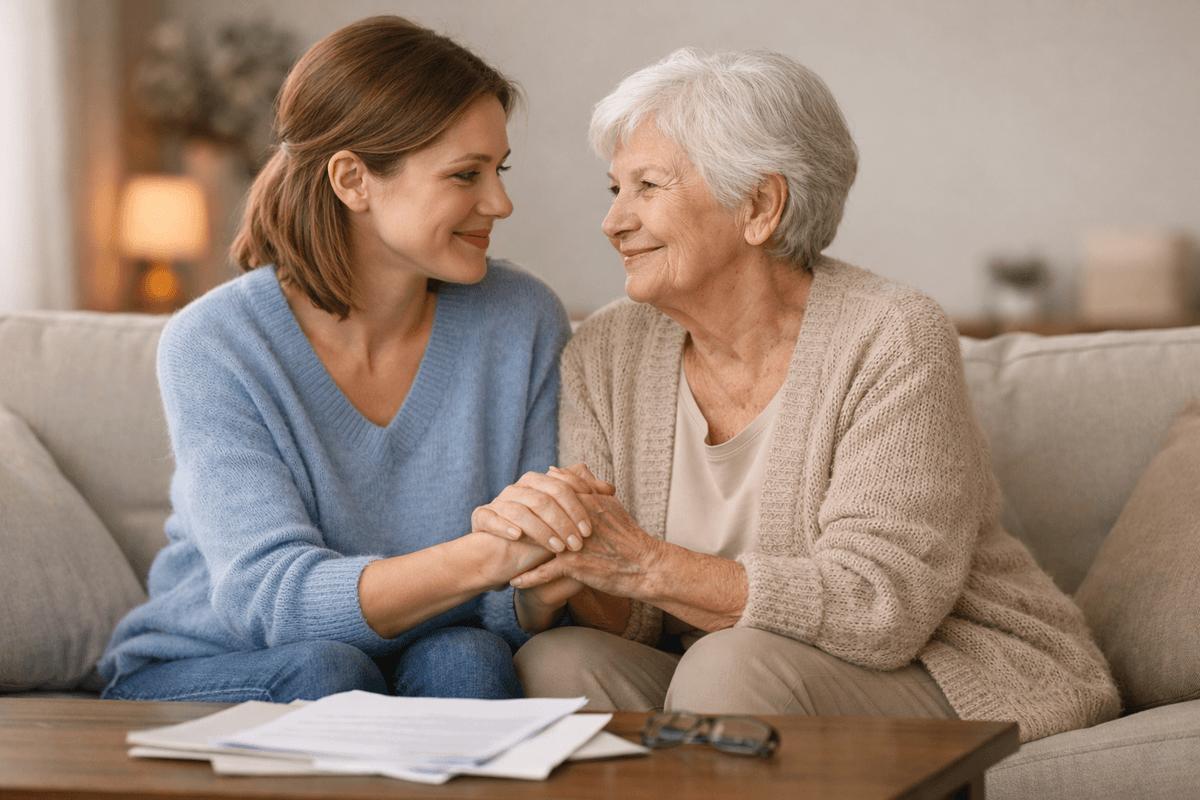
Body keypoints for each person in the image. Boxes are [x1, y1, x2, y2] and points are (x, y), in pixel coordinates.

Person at [472, 47, 1121, 743]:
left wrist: (649, 563)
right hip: (721, 667)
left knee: (727, 671)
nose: (614, 223)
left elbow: (882, 608)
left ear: (759, 205)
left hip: (939, 665)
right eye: (614, 190)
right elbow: (632, 617)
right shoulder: (606, 350)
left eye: (648, 188)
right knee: (557, 663)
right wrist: (565, 552)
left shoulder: (891, 334)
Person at [97, 15, 574, 703]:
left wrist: (540, 584)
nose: (499, 202)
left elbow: (504, 607)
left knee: (471, 655)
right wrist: (489, 557)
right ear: (353, 179)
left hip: (419, 652)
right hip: (211, 663)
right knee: (327, 670)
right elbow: (270, 601)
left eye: (497, 170)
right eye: (465, 175)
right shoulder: (216, 343)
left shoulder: (521, 319)